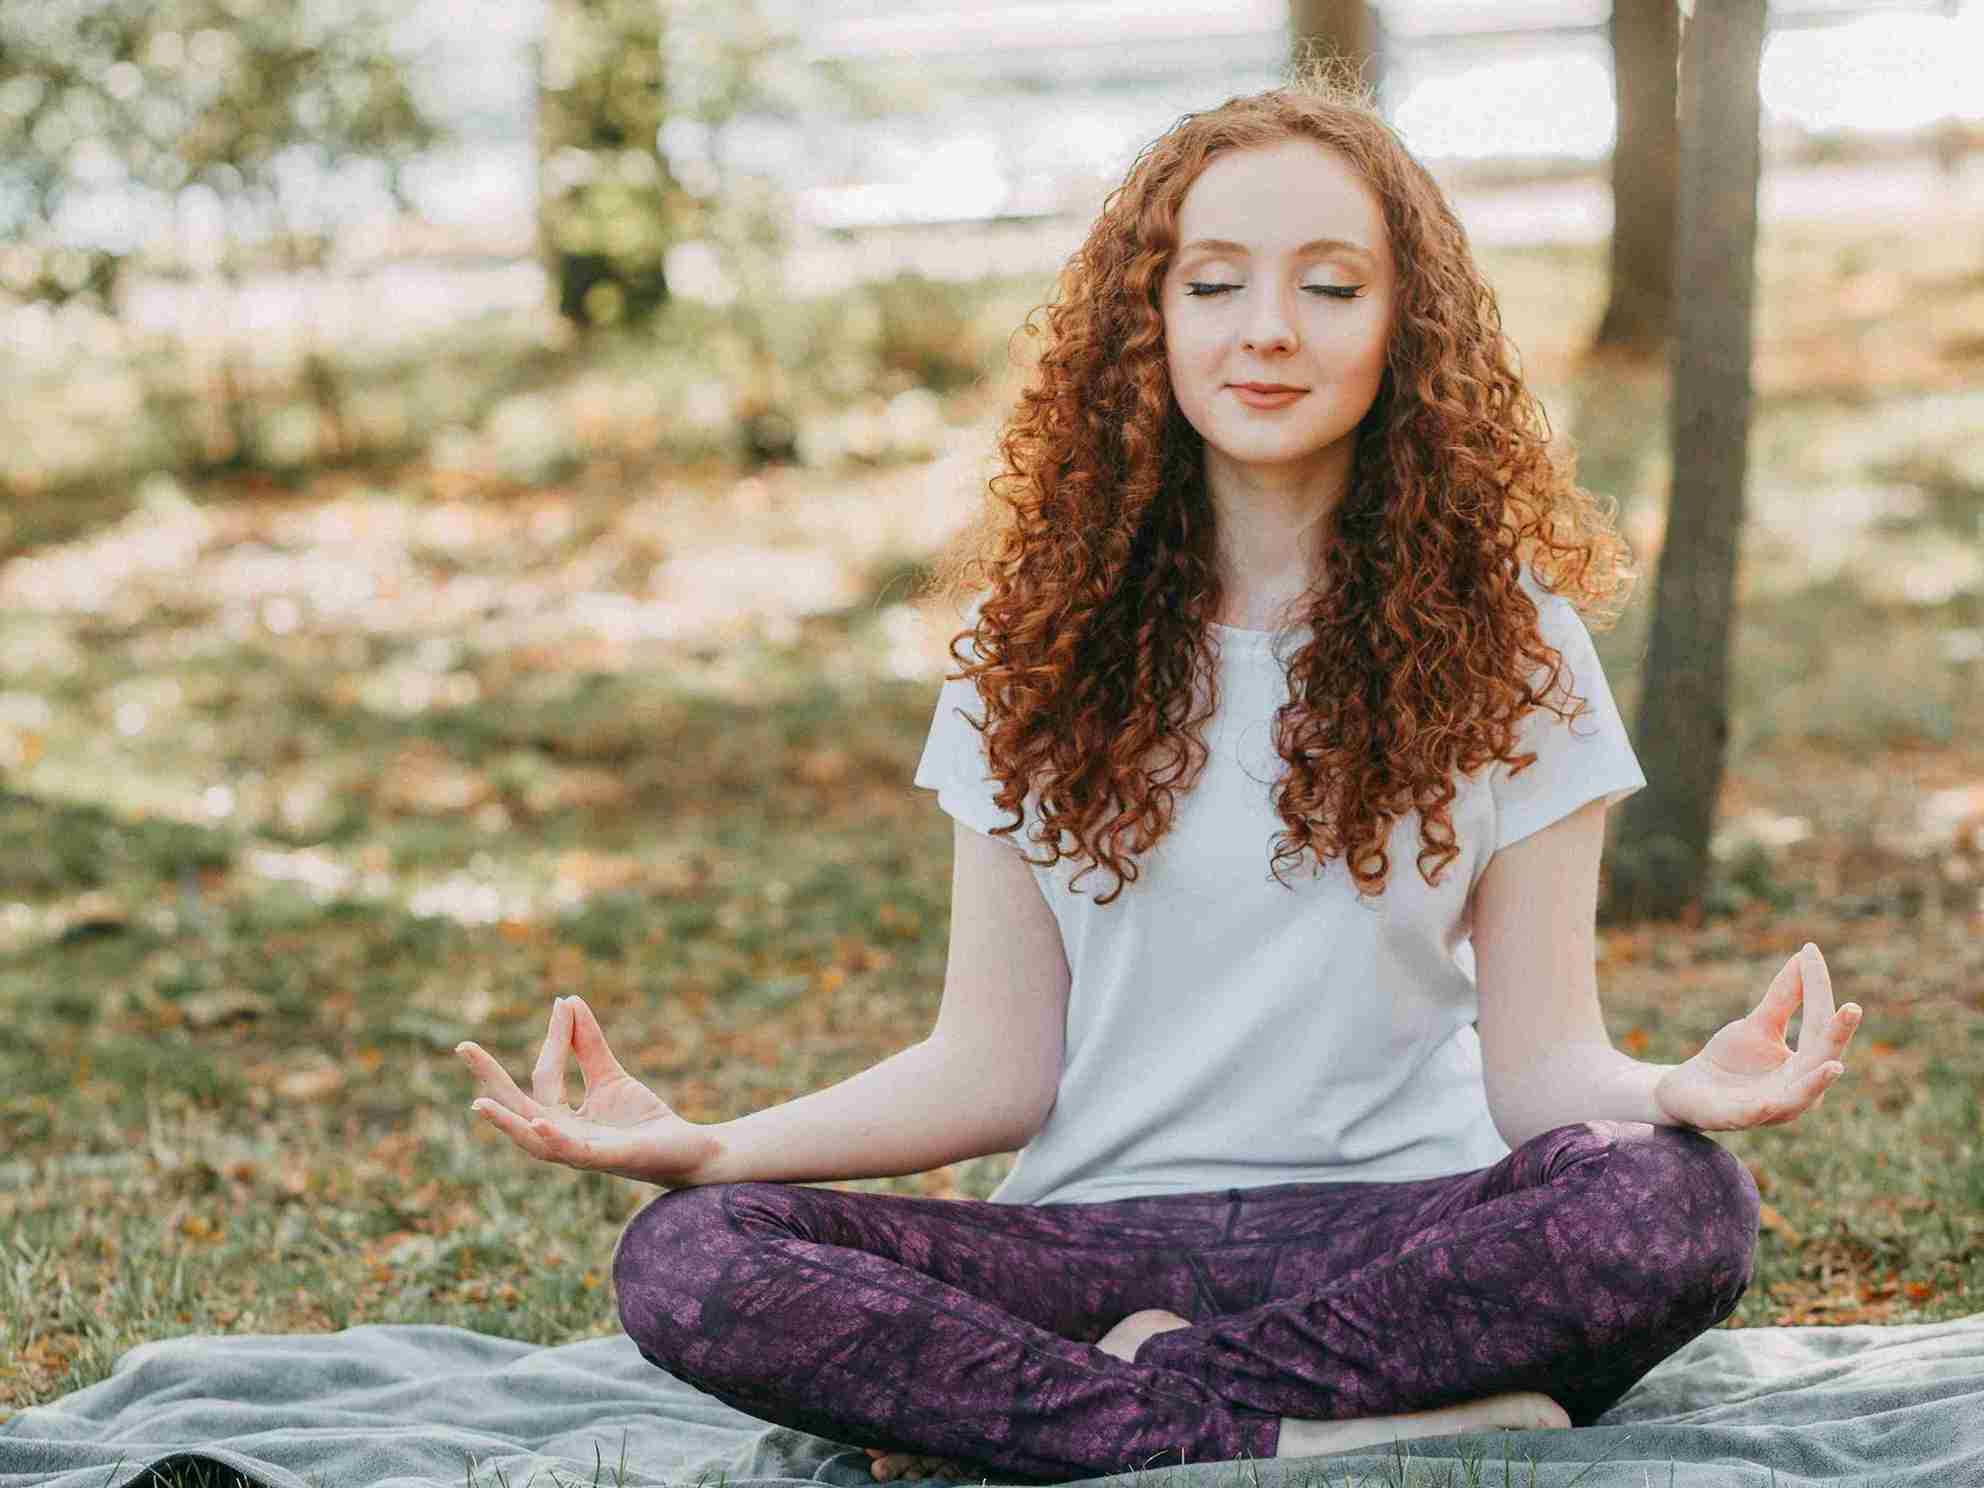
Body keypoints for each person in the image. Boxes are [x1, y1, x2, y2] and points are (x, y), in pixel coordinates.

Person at [454, 67, 1865, 1486]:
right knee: (691, 1258)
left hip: (1407, 1243)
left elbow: (1545, 1068)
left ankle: (1129, 1409)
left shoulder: (1517, 645)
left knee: (1674, 1205)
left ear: (1405, 329)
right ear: (1149, 321)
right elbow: (989, 1068)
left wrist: (1675, 1090)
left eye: (1329, 286)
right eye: (1213, 285)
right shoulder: (1032, 652)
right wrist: (709, 1149)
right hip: (1089, 1243)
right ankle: (1312, 1428)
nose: (1266, 331)